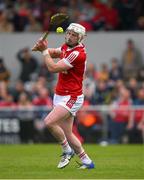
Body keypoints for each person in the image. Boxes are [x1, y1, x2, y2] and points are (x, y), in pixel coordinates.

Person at [32, 23, 95, 169]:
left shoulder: (78, 53)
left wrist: (44, 52)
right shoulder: (67, 47)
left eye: (74, 35)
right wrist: (43, 47)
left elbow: (53, 68)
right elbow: (56, 52)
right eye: (69, 33)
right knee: (68, 133)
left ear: (80, 38)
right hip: (60, 94)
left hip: (72, 97)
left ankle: (67, 151)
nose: (70, 37)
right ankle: (87, 161)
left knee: (48, 122)